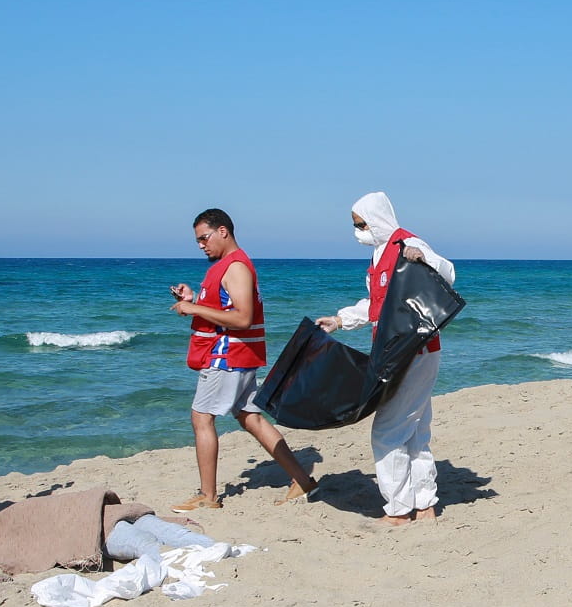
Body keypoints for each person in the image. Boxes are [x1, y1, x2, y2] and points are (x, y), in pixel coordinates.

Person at [314, 192, 456, 525]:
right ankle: (425, 504)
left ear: (376, 219)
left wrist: (423, 258)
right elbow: (376, 304)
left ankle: (398, 509)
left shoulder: (406, 242)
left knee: (387, 430)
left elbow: (448, 273)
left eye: (360, 224)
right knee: (415, 430)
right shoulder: (380, 254)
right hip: (400, 350)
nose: (357, 232)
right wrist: (340, 320)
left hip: (412, 352)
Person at [169, 208, 318, 511]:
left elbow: (242, 317)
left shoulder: (236, 267)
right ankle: (302, 479)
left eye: (204, 238)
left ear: (223, 231)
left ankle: (208, 498)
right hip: (240, 355)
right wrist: (194, 299)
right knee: (250, 417)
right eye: (197, 240)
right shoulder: (228, 266)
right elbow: (226, 308)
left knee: (201, 418)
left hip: (228, 356)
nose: (201, 245)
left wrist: (194, 311)